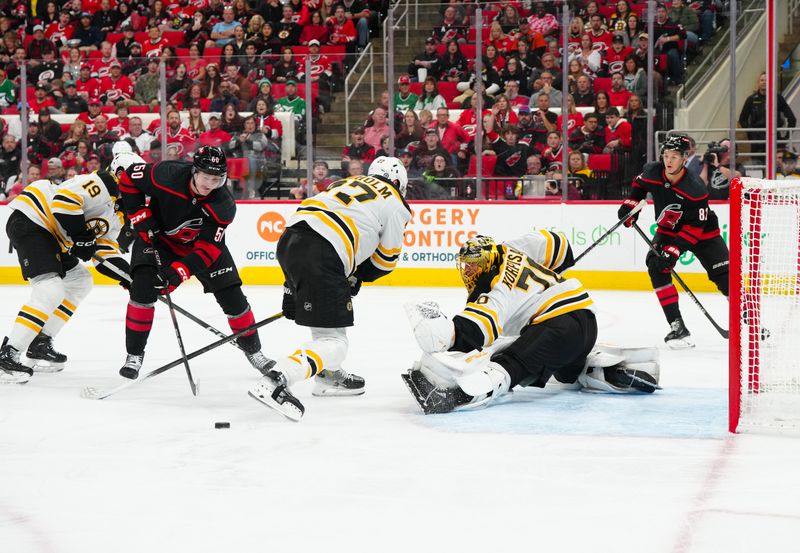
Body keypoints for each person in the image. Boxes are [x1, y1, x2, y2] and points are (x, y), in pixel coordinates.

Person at [401, 232, 659, 414]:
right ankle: (600, 369)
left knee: (508, 364)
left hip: (557, 326)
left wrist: (446, 333)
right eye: (467, 266)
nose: (470, 271)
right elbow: (558, 244)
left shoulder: (497, 289)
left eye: (475, 265)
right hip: (586, 323)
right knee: (564, 372)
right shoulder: (513, 248)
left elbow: (476, 330)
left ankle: (462, 394)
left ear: (489, 261)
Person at [248, 157, 411, 421]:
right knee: (336, 344)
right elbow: (386, 261)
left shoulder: (344, 182)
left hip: (290, 240)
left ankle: (328, 377)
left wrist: (291, 289)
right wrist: (356, 278)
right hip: (324, 251)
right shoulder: (394, 201)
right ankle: (278, 379)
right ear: (397, 182)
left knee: (327, 329)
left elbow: (308, 225)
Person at [116, 146, 276, 380]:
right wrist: (139, 215)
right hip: (158, 238)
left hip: (200, 248)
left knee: (233, 298)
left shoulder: (223, 204)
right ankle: (134, 355)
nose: (209, 184)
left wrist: (179, 271)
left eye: (216, 178)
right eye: (205, 177)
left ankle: (255, 352)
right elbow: (129, 177)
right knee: (142, 289)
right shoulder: (165, 174)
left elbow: (209, 249)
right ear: (194, 171)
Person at [0, 152, 132, 383]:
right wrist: (82, 237)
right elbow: (64, 202)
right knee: (50, 290)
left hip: (53, 236)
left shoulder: (118, 213)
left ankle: (39, 341)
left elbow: (104, 250)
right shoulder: (101, 182)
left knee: (80, 280)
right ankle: (8, 353)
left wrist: (131, 278)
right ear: (120, 174)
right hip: (34, 219)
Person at [617, 134, 728, 348]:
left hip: (704, 234)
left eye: (675, 156)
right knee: (656, 266)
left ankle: (749, 322)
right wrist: (631, 206)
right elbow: (639, 186)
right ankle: (677, 326)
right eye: (666, 155)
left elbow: (695, 227)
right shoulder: (652, 171)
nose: (668, 160)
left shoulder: (695, 187)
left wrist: (674, 250)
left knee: (725, 277)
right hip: (668, 230)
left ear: (685, 158)